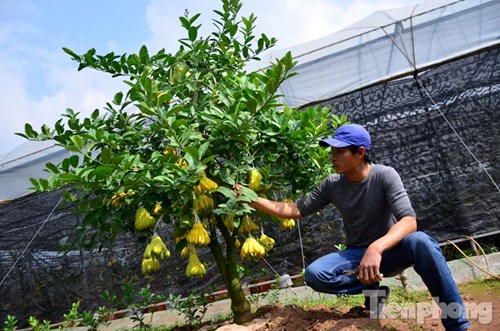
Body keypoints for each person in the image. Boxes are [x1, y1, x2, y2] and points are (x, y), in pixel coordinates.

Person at [235, 124, 470, 331]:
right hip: (357, 254)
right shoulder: (332, 185)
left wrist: (376, 248)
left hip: (392, 250)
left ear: (360, 153)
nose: (332, 157)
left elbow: (409, 221)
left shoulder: (385, 175)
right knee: (315, 275)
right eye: (331, 151)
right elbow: (296, 210)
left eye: (339, 152)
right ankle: (373, 289)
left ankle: (457, 325)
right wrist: (253, 199)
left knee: (422, 243)